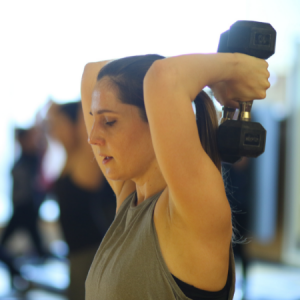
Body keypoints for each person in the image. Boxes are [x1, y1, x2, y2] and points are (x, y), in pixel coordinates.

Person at [81, 53, 270, 300]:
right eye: (94, 119)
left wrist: (234, 68)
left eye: (109, 121)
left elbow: (164, 78)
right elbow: (92, 72)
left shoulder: (190, 210)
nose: (92, 137)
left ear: (156, 123)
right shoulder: (131, 198)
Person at [46, 101, 116, 300]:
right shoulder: (68, 157)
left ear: (75, 126)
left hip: (90, 252)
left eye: (61, 124)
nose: (56, 130)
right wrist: (54, 113)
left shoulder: (85, 159)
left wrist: (79, 106)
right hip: (75, 252)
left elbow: (87, 109)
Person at [0, 127, 47, 259]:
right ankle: (17, 273)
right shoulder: (20, 158)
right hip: (20, 207)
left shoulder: (33, 158)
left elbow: (43, 145)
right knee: (39, 250)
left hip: (27, 207)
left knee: (40, 250)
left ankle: (18, 273)